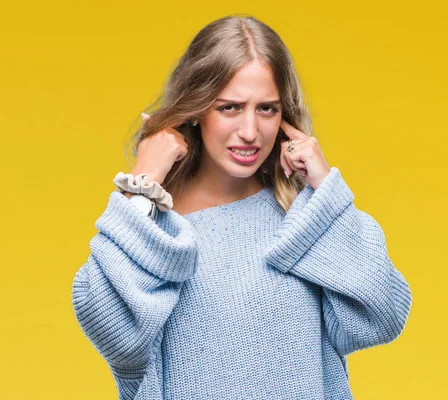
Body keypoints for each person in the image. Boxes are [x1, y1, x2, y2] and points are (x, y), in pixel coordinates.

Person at [71, 14, 412, 400]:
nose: (250, 131)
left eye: (267, 108)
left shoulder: (301, 222)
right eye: (230, 107)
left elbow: (382, 316)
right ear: (197, 109)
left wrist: (325, 189)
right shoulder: (156, 231)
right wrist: (143, 181)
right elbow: (111, 329)